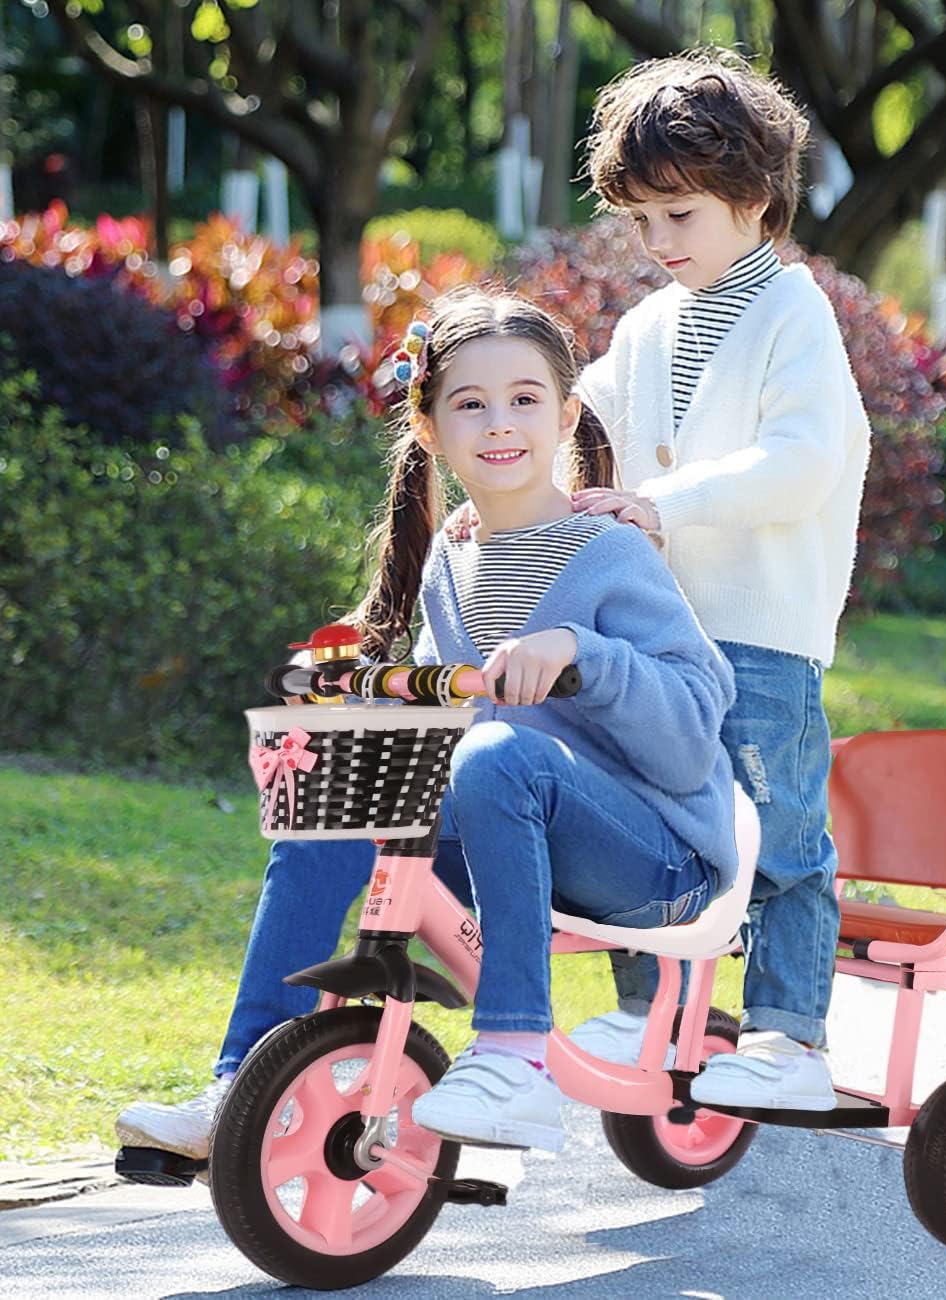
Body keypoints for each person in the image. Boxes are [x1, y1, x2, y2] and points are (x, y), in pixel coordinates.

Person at [117, 288, 739, 1156]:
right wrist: (355, 696)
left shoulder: (611, 553)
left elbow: (689, 736)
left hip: (655, 856)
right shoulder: (456, 557)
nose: (499, 424)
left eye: (524, 399)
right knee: (340, 792)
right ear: (431, 427)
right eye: (470, 403)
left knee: (496, 756)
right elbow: (444, 716)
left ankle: (515, 1055)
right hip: (514, 830)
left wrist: (580, 652)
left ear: (565, 417)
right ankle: (245, 1083)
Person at [558, 49, 871, 1111]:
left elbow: (800, 463)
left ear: (753, 196)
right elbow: (582, 426)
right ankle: (655, 1007)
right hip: (659, 638)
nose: (656, 245)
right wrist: (514, 487)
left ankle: (788, 1036)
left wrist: (665, 503)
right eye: (639, 222)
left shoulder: (793, 316)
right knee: (651, 824)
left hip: (760, 632)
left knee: (777, 832)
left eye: (678, 216)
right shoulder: (647, 326)